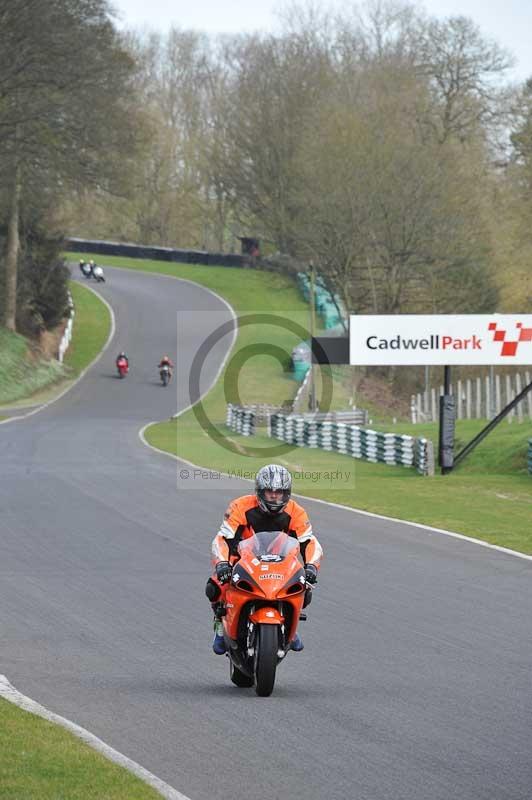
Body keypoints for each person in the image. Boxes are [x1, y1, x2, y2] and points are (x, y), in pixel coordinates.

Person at [206, 464, 323, 655]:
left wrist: (311, 566)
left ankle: (290, 629)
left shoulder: (296, 512)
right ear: (260, 491)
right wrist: (221, 563)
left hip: (282, 562)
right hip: (242, 560)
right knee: (215, 586)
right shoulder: (240, 506)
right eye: (270, 492)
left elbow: (309, 541)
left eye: (280, 492)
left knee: (304, 586)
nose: (275, 496)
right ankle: (220, 626)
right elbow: (222, 538)